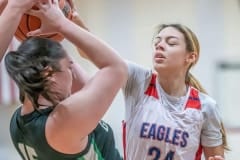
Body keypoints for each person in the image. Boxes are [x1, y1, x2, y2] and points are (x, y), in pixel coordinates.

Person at [4, 0, 127, 160]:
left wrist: (71, 21)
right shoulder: (63, 122)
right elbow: (116, 67)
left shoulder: (19, 120)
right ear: (48, 74)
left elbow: (86, 85)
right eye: (69, 67)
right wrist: (61, 23)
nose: (72, 71)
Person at [121, 24, 228, 160]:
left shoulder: (205, 106)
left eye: (171, 43)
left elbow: (215, 156)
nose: (159, 46)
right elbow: (92, 53)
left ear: (190, 57)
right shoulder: (139, 80)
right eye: (157, 42)